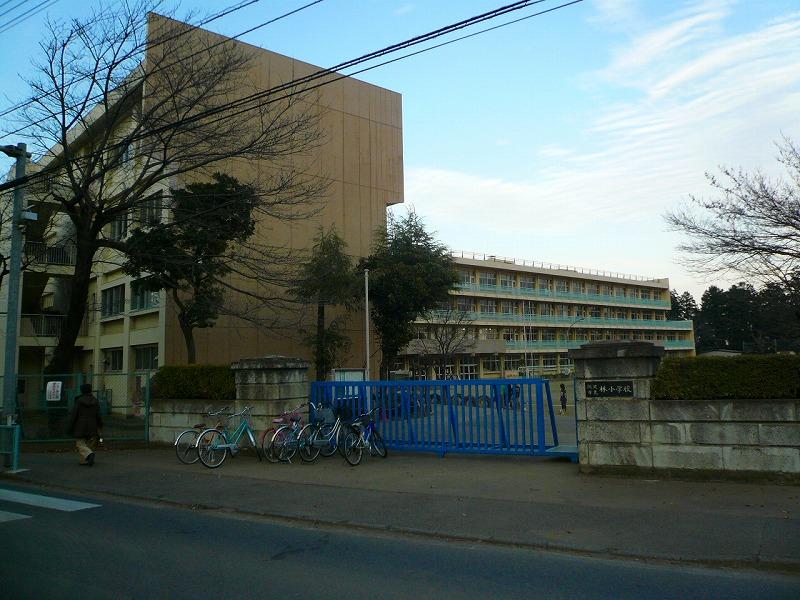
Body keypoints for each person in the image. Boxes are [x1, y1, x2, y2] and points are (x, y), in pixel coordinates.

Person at [68, 383, 103, 466]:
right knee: (88, 443)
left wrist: (70, 427)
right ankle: (85, 460)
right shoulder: (95, 400)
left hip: (80, 425)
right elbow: (98, 415)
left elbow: (74, 415)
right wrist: (100, 425)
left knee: (80, 443)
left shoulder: (79, 401)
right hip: (92, 425)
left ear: (82, 391)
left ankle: (89, 455)